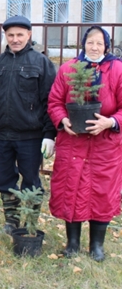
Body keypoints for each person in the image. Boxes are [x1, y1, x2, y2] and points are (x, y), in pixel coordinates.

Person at [0, 16, 57, 234]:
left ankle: (29, 223)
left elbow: (50, 101)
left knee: (30, 180)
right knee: (5, 180)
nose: (15, 39)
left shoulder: (41, 63)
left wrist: (50, 134)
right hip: (2, 136)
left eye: (20, 34)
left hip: (31, 136)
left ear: (29, 35)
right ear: (6, 36)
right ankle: (11, 221)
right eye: (11, 35)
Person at [48, 26, 122, 262]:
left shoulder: (117, 69)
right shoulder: (69, 69)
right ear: (83, 44)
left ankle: (96, 245)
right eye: (90, 42)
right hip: (73, 144)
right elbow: (55, 101)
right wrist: (62, 120)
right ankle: (72, 243)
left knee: (101, 193)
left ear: (106, 46)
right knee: (72, 190)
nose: (94, 47)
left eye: (100, 43)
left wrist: (110, 122)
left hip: (105, 146)